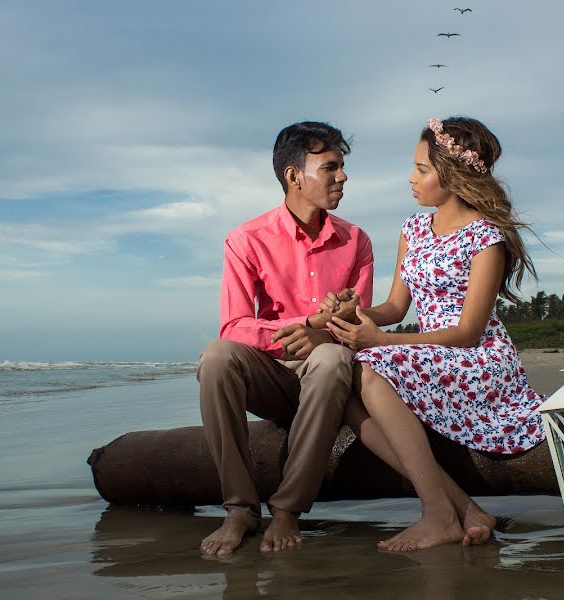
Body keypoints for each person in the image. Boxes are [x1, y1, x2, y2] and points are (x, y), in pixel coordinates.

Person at [326, 116, 545, 552]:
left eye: (422, 169)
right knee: (349, 387)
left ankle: (436, 513)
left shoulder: (486, 236)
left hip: (478, 359)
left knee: (368, 367)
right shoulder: (413, 230)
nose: (411, 177)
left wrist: (380, 342)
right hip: (430, 354)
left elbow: (468, 331)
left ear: (454, 173)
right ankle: (462, 510)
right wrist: (357, 312)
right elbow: (396, 307)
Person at [197, 121, 373, 558]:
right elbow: (234, 325)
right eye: (330, 167)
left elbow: (359, 325)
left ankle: (288, 510)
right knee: (217, 357)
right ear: (294, 176)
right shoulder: (246, 239)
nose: (343, 177)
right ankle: (239, 508)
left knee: (331, 358)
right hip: (274, 374)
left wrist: (325, 334)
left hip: (333, 374)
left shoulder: (357, 242)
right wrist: (307, 322)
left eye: (342, 167)